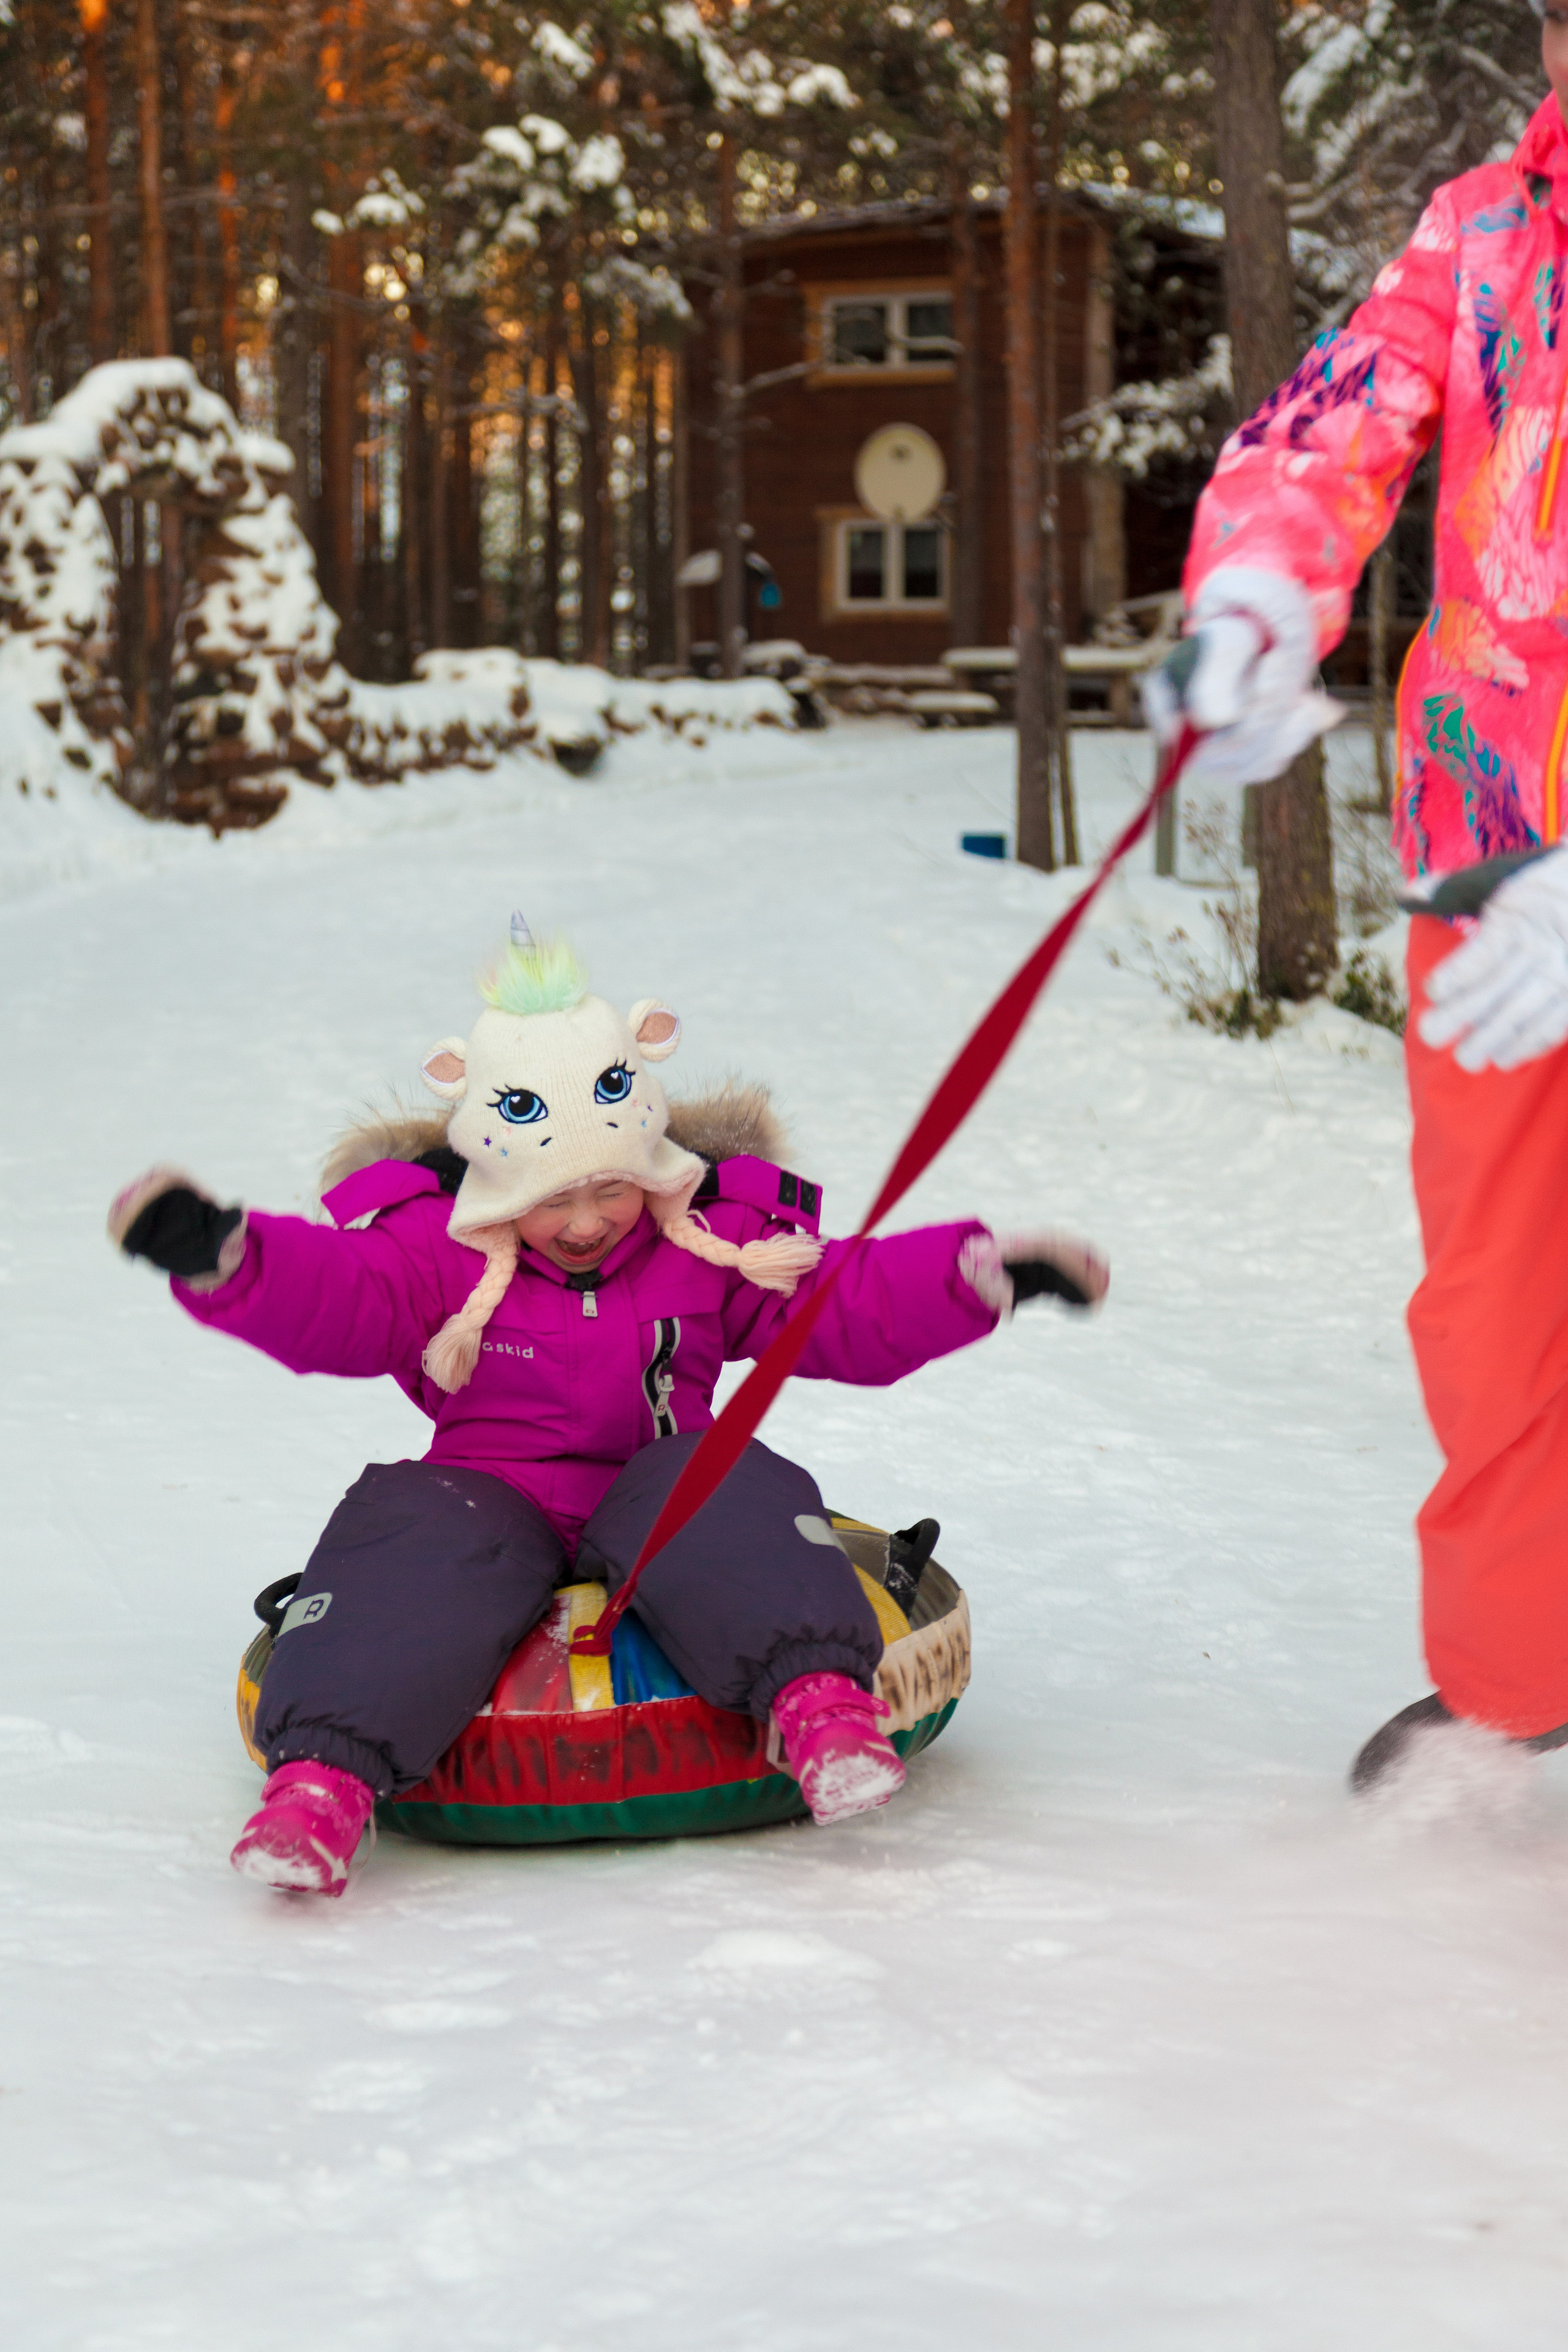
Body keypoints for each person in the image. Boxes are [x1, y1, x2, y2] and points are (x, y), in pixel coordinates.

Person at [109, 919, 1108, 1895]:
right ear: (495, 1177)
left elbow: (840, 1302)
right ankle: (321, 1787)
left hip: (661, 1483)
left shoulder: (711, 1239)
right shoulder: (434, 1252)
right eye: (551, 1197)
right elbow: (338, 1291)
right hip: (490, 1492)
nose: (586, 1223)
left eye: (611, 1189)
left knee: (725, 1483)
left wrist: (981, 1282)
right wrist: (226, 1256)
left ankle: (819, 1709)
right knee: (408, 1533)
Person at [1150, 1, 1568, 1789]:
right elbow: (1332, 428)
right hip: (1495, 863)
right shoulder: (1482, 227)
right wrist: (1250, 600)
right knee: (1492, 1305)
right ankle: (1518, 1680)